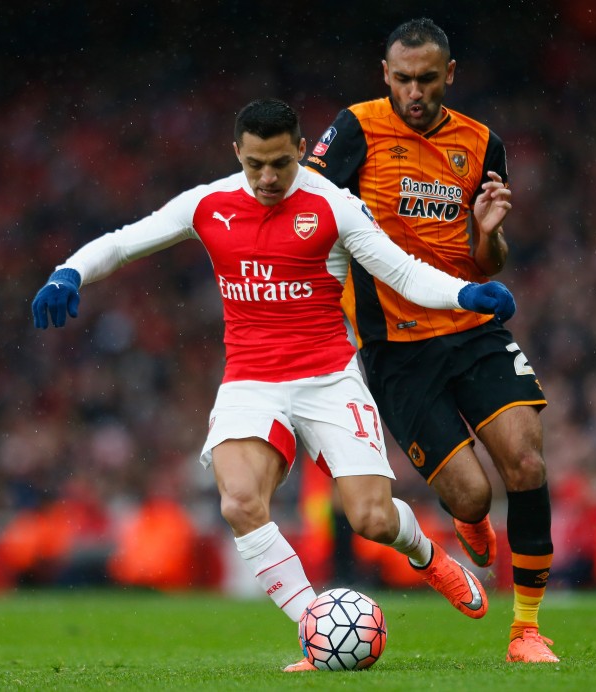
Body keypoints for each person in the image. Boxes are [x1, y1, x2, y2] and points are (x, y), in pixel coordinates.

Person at [31, 98, 517, 672]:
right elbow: (122, 241)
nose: (267, 177)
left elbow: (402, 271)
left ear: (301, 151)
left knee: (372, 519)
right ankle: (318, 631)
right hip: (251, 381)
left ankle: (427, 556)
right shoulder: (208, 203)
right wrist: (69, 271)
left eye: (281, 163)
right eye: (255, 164)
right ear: (237, 152)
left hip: (329, 378)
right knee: (239, 502)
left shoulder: (334, 206)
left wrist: (466, 294)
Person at [304, 18, 560, 663]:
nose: (414, 92)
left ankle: (526, 630)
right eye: (402, 79)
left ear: (449, 74)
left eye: (426, 79)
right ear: (384, 75)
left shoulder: (482, 143)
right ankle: (470, 519)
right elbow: (305, 212)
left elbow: (486, 261)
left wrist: (489, 233)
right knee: (471, 494)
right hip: (396, 348)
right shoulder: (355, 130)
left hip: (471, 330)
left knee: (527, 462)